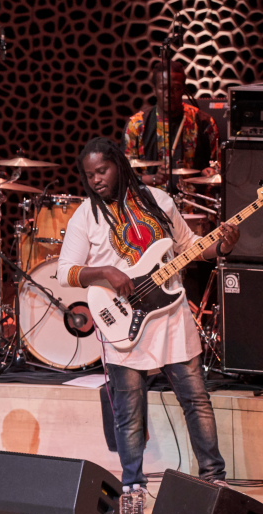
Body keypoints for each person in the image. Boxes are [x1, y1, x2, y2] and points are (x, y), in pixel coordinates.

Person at [56, 137, 238, 490]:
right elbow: (65, 272)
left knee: (196, 400)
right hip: (124, 322)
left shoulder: (159, 201)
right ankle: (133, 486)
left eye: (102, 170)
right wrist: (105, 272)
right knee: (129, 412)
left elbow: (190, 248)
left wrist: (223, 246)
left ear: (120, 165)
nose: (96, 180)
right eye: (89, 174)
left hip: (170, 314)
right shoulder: (86, 215)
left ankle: (215, 482)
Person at [123, 61, 220, 188]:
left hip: (193, 203)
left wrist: (210, 171)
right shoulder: (137, 125)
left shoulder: (205, 123)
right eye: (163, 88)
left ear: (183, 89)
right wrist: (153, 179)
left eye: (175, 88)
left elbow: (218, 165)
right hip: (151, 202)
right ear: (154, 90)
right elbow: (124, 175)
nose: (169, 94)